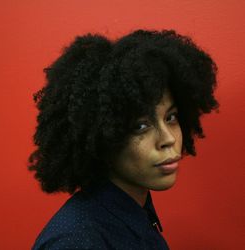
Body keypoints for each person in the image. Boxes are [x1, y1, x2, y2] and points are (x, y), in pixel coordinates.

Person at [28, 29, 219, 249]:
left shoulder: (136, 213)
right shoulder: (77, 241)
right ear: (103, 136)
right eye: (140, 126)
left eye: (171, 117)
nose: (168, 139)